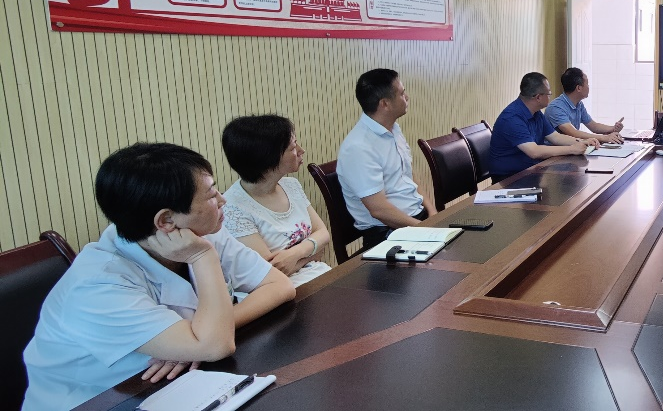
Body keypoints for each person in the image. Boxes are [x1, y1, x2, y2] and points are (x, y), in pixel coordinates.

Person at [23, 143, 295, 411]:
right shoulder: (96, 284)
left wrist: (200, 336)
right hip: (98, 400)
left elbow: (279, 285)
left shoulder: (197, 231)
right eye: (211, 194)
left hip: (170, 387)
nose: (222, 200)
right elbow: (215, 346)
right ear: (165, 220)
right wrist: (203, 262)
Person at [221, 115, 332, 287]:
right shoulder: (233, 207)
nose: (301, 150)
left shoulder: (291, 185)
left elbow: (323, 233)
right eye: (293, 147)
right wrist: (312, 251)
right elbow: (271, 272)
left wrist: (296, 254)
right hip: (282, 291)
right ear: (268, 157)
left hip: (319, 276)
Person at [337, 69, 436, 249]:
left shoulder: (393, 129)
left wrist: (433, 212)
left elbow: (409, 176)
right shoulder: (358, 147)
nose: (407, 97)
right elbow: (379, 210)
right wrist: (425, 230)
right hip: (387, 234)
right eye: (402, 93)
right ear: (385, 104)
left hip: (416, 220)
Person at [488, 72, 599, 183]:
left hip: (531, 170)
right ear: (538, 97)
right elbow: (534, 151)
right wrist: (572, 149)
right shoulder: (512, 118)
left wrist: (583, 142)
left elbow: (555, 137)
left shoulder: (536, 113)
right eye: (549, 94)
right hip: (508, 179)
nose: (550, 97)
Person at [544, 67, 624, 143]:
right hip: (556, 151)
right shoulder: (556, 108)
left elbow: (593, 126)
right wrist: (604, 138)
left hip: (572, 148)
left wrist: (613, 128)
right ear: (579, 88)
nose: (589, 87)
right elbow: (573, 133)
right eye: (587, 84)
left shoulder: (579, 104)